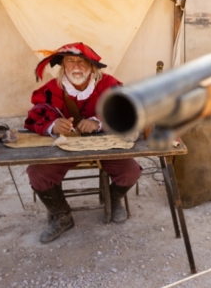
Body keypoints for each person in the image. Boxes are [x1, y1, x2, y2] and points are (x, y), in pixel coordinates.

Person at [24, 42, 141, 244]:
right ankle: (62, 216)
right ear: (63, 65)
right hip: (64, 148)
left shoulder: (109, 84)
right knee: (37, 174)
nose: (76, 66)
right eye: (71, 61)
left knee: (131, 172)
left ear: (92, 66)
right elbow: (35, 115)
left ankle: (113, 200)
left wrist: (98, 122)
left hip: (105, 146)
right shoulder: (52, 89)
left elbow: (128, 109)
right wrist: (52, 125)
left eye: (82, 61)